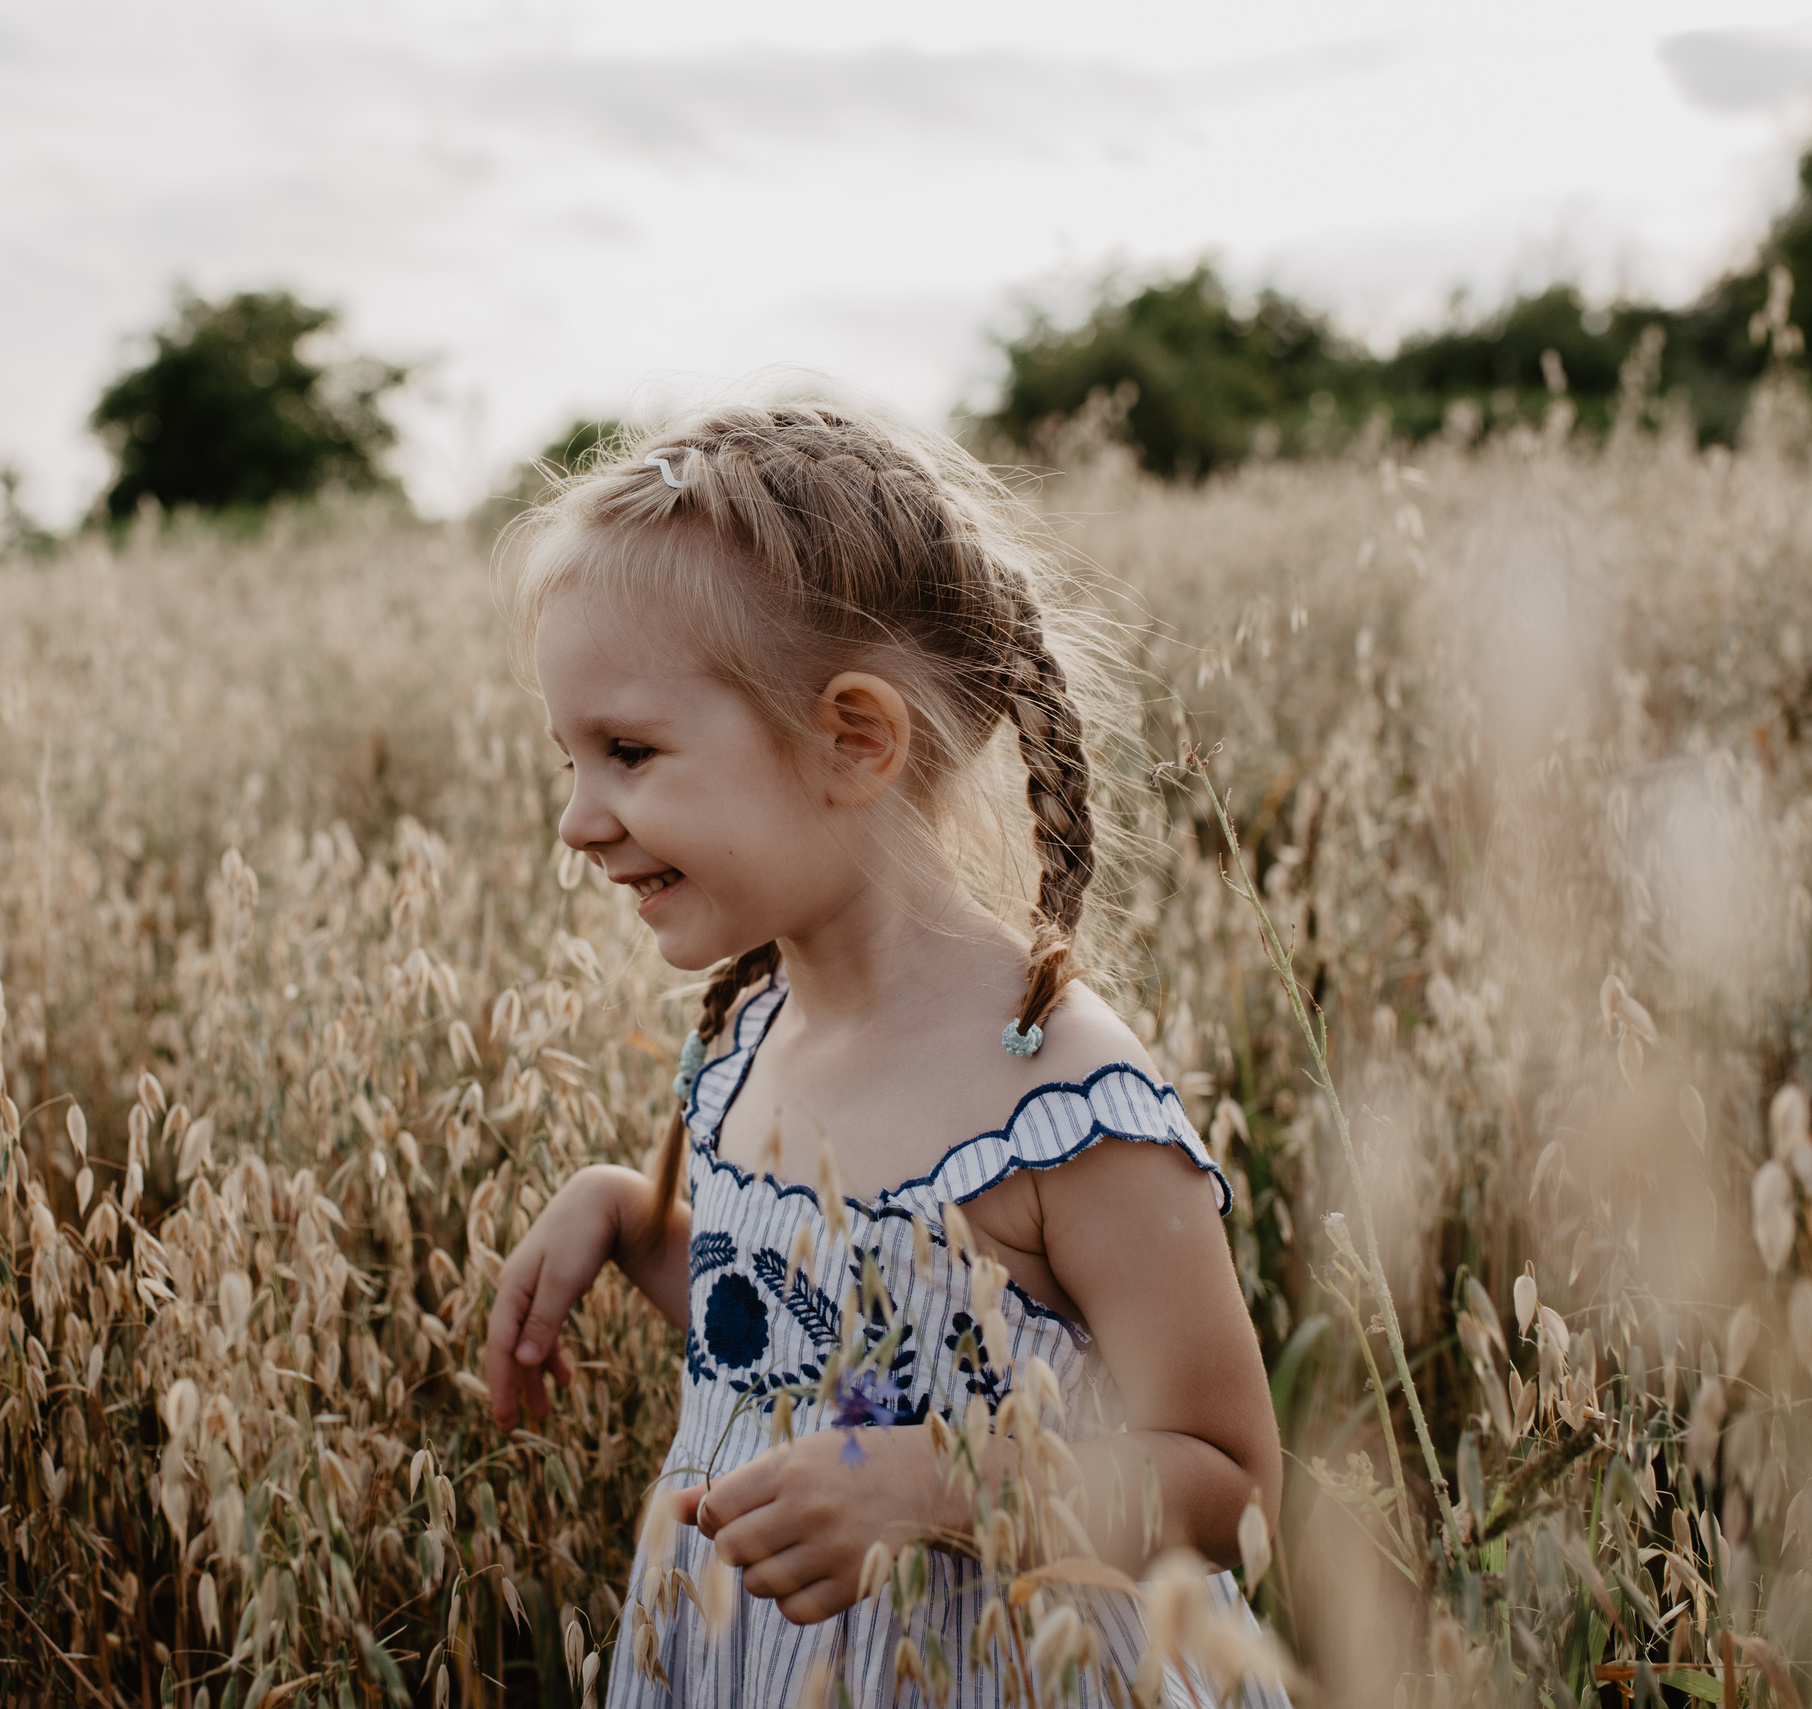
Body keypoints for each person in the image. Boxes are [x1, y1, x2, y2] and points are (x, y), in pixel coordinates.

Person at [481, 401, 1289, 1706]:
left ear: (853, 739)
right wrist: (632, 1219)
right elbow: (813, 1352)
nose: (578, 819)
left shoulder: (1061, 1093)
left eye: (627, 751)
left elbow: (1227, 1475)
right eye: (570, 756)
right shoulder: (752, 1037)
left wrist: (944, 1485)